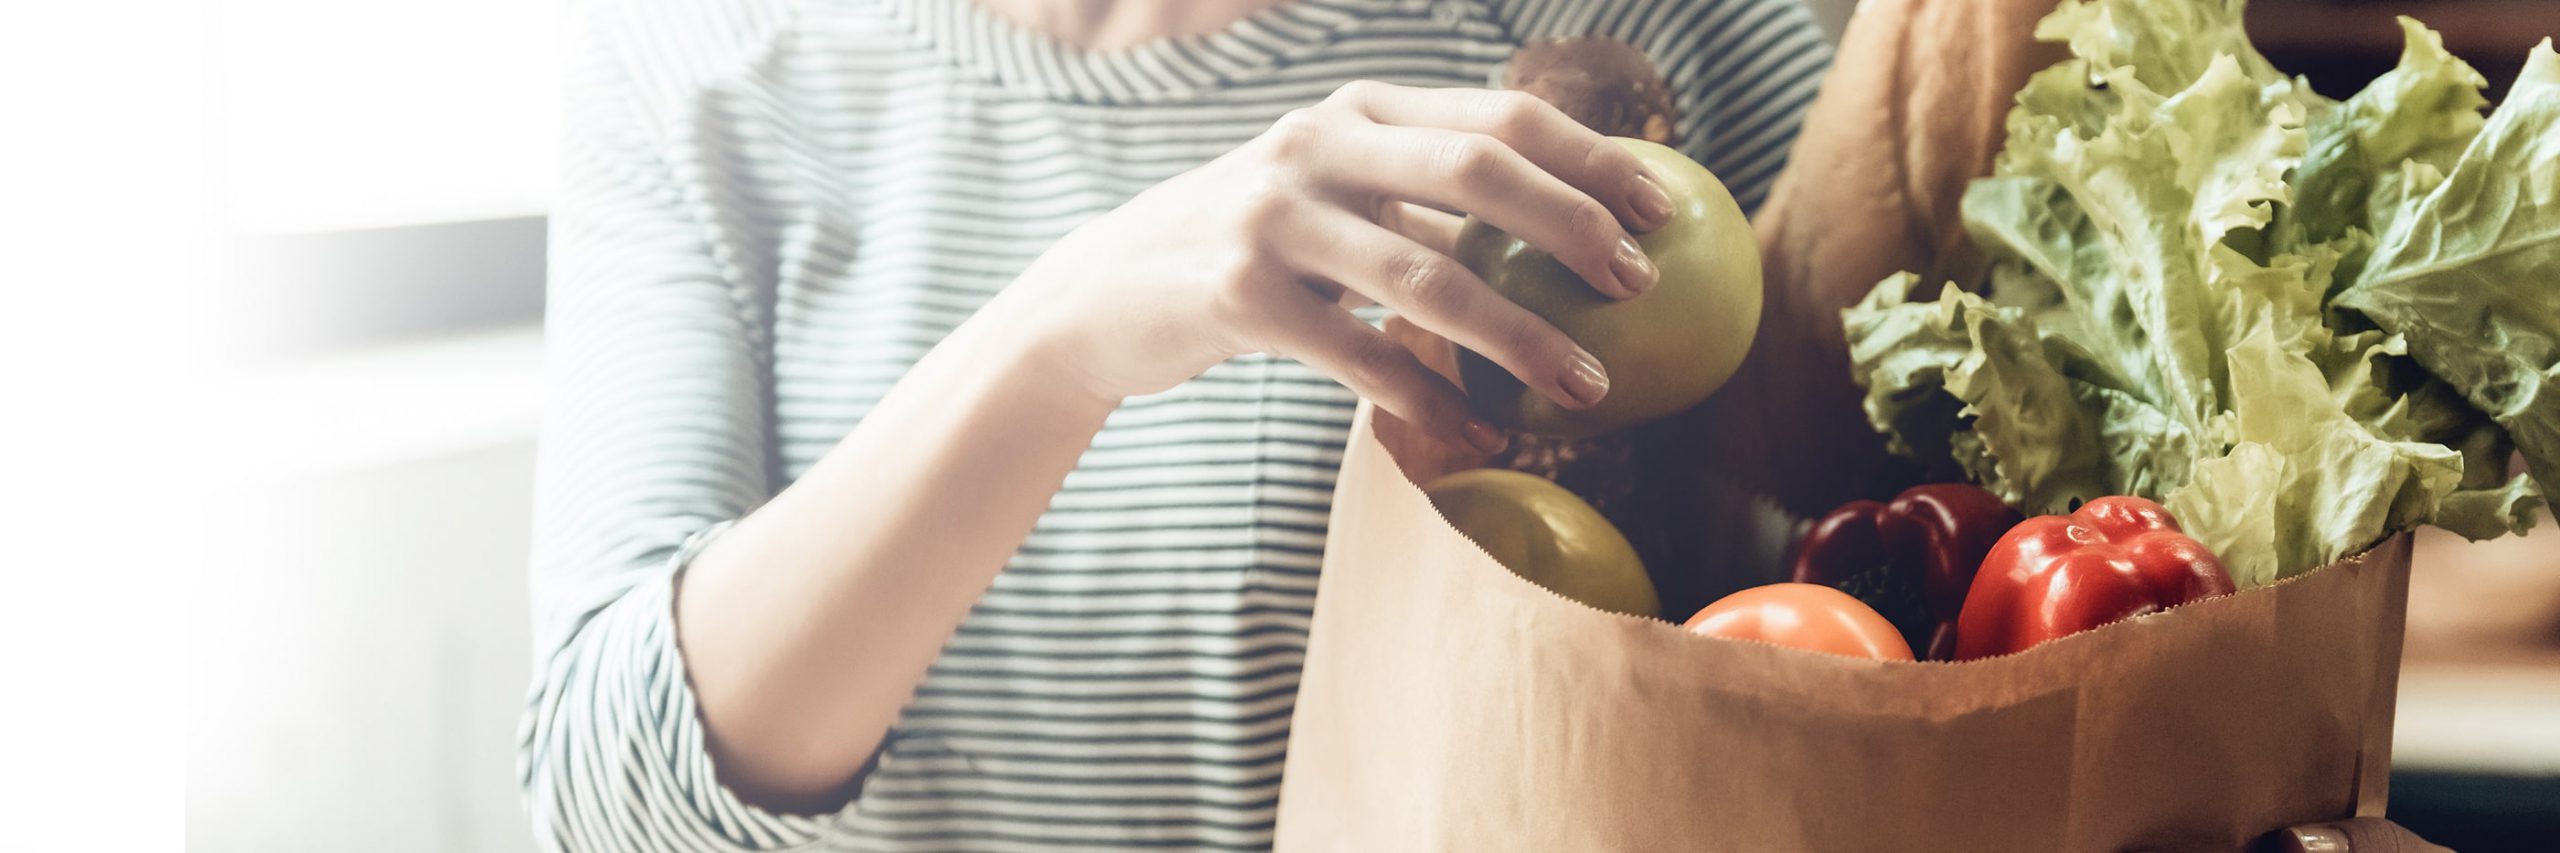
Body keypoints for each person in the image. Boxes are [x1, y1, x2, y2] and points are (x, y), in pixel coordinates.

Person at [515, 0, 2447, 850]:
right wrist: (1074, 326)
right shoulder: (698, 66)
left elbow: (1927, 660)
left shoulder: (1627, 40)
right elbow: (611, 783)